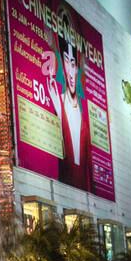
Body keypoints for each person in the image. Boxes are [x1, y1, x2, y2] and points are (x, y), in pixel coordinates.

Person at [42, 24, 92, 192]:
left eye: (74, 64)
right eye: (66, 62)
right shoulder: (58, 99)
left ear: (77, 68)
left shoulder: (85, 118)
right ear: (62, 64)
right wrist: (50, 44)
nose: (71, 70)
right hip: (63, 189)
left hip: (84, 195)